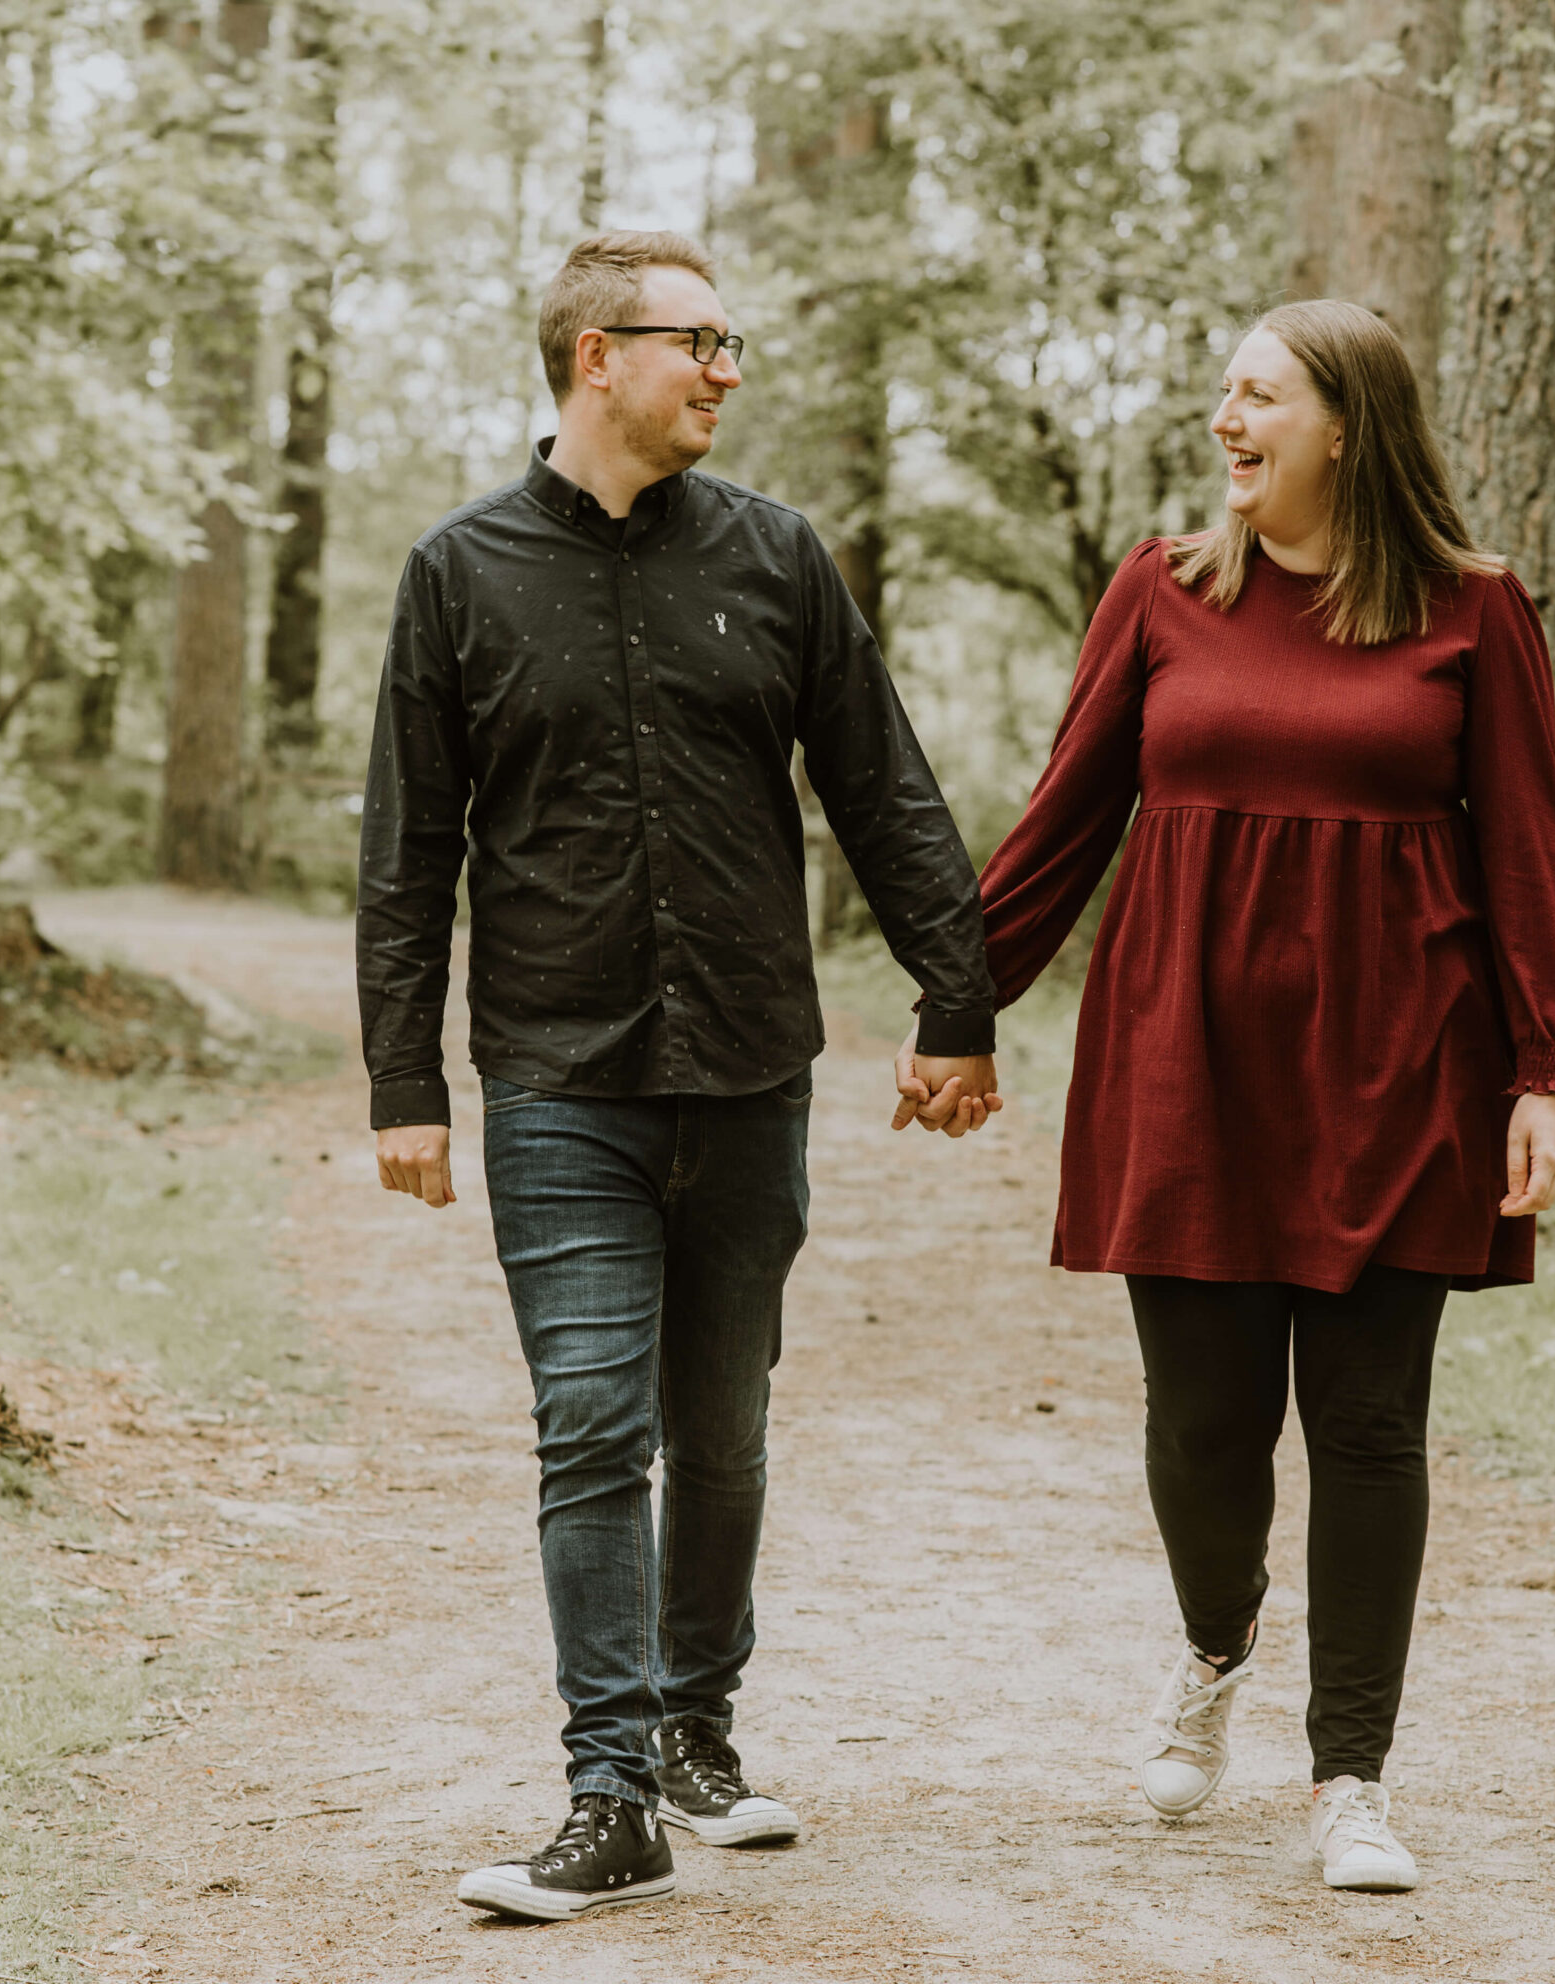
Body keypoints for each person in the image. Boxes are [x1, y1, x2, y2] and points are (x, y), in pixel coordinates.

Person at [358, 230, 1002, 1922]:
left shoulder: (780, 561)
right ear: (594, 355)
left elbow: (885, 788)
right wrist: (401, 1085)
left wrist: (959, 999)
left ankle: (701, 1725)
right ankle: (610, 1788)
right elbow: (407, 854)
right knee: (592, 1424)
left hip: (746, 1068)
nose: (727, 368)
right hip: (558, 1076)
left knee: (721, 1431)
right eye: (697, 340)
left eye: (734, 340)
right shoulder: (460, 572)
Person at [966, 299, 1555, 1893]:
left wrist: (1546, 1068)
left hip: (1403, 1070)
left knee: (1372, 1426)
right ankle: (1211, 1645)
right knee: (1206, 1422)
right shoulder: (1164, 593)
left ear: (1343, 426)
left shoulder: (1471, 609)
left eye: (1258, 396)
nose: (1226, 421)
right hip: (1189, 1062)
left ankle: (1352, 1774)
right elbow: (1067, 816)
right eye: (1223, 395)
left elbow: (1528, 847)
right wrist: (956, 996)